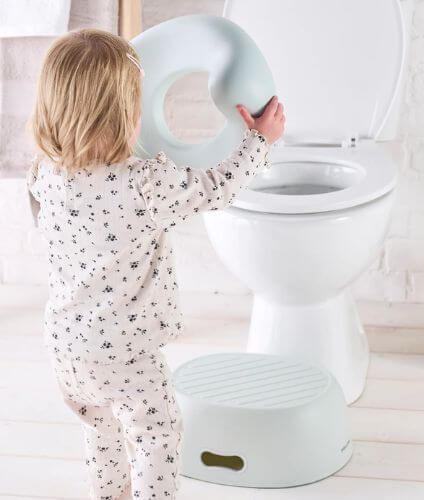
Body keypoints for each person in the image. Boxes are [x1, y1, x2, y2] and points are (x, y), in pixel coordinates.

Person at [27, 28, 284, 499]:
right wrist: (258, 143)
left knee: (101, 430)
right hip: (126, 352)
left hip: (65, 343)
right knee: (154, 436)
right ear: (125, 111)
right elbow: (217, 187)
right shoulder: (145, 183)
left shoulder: (44, 172)